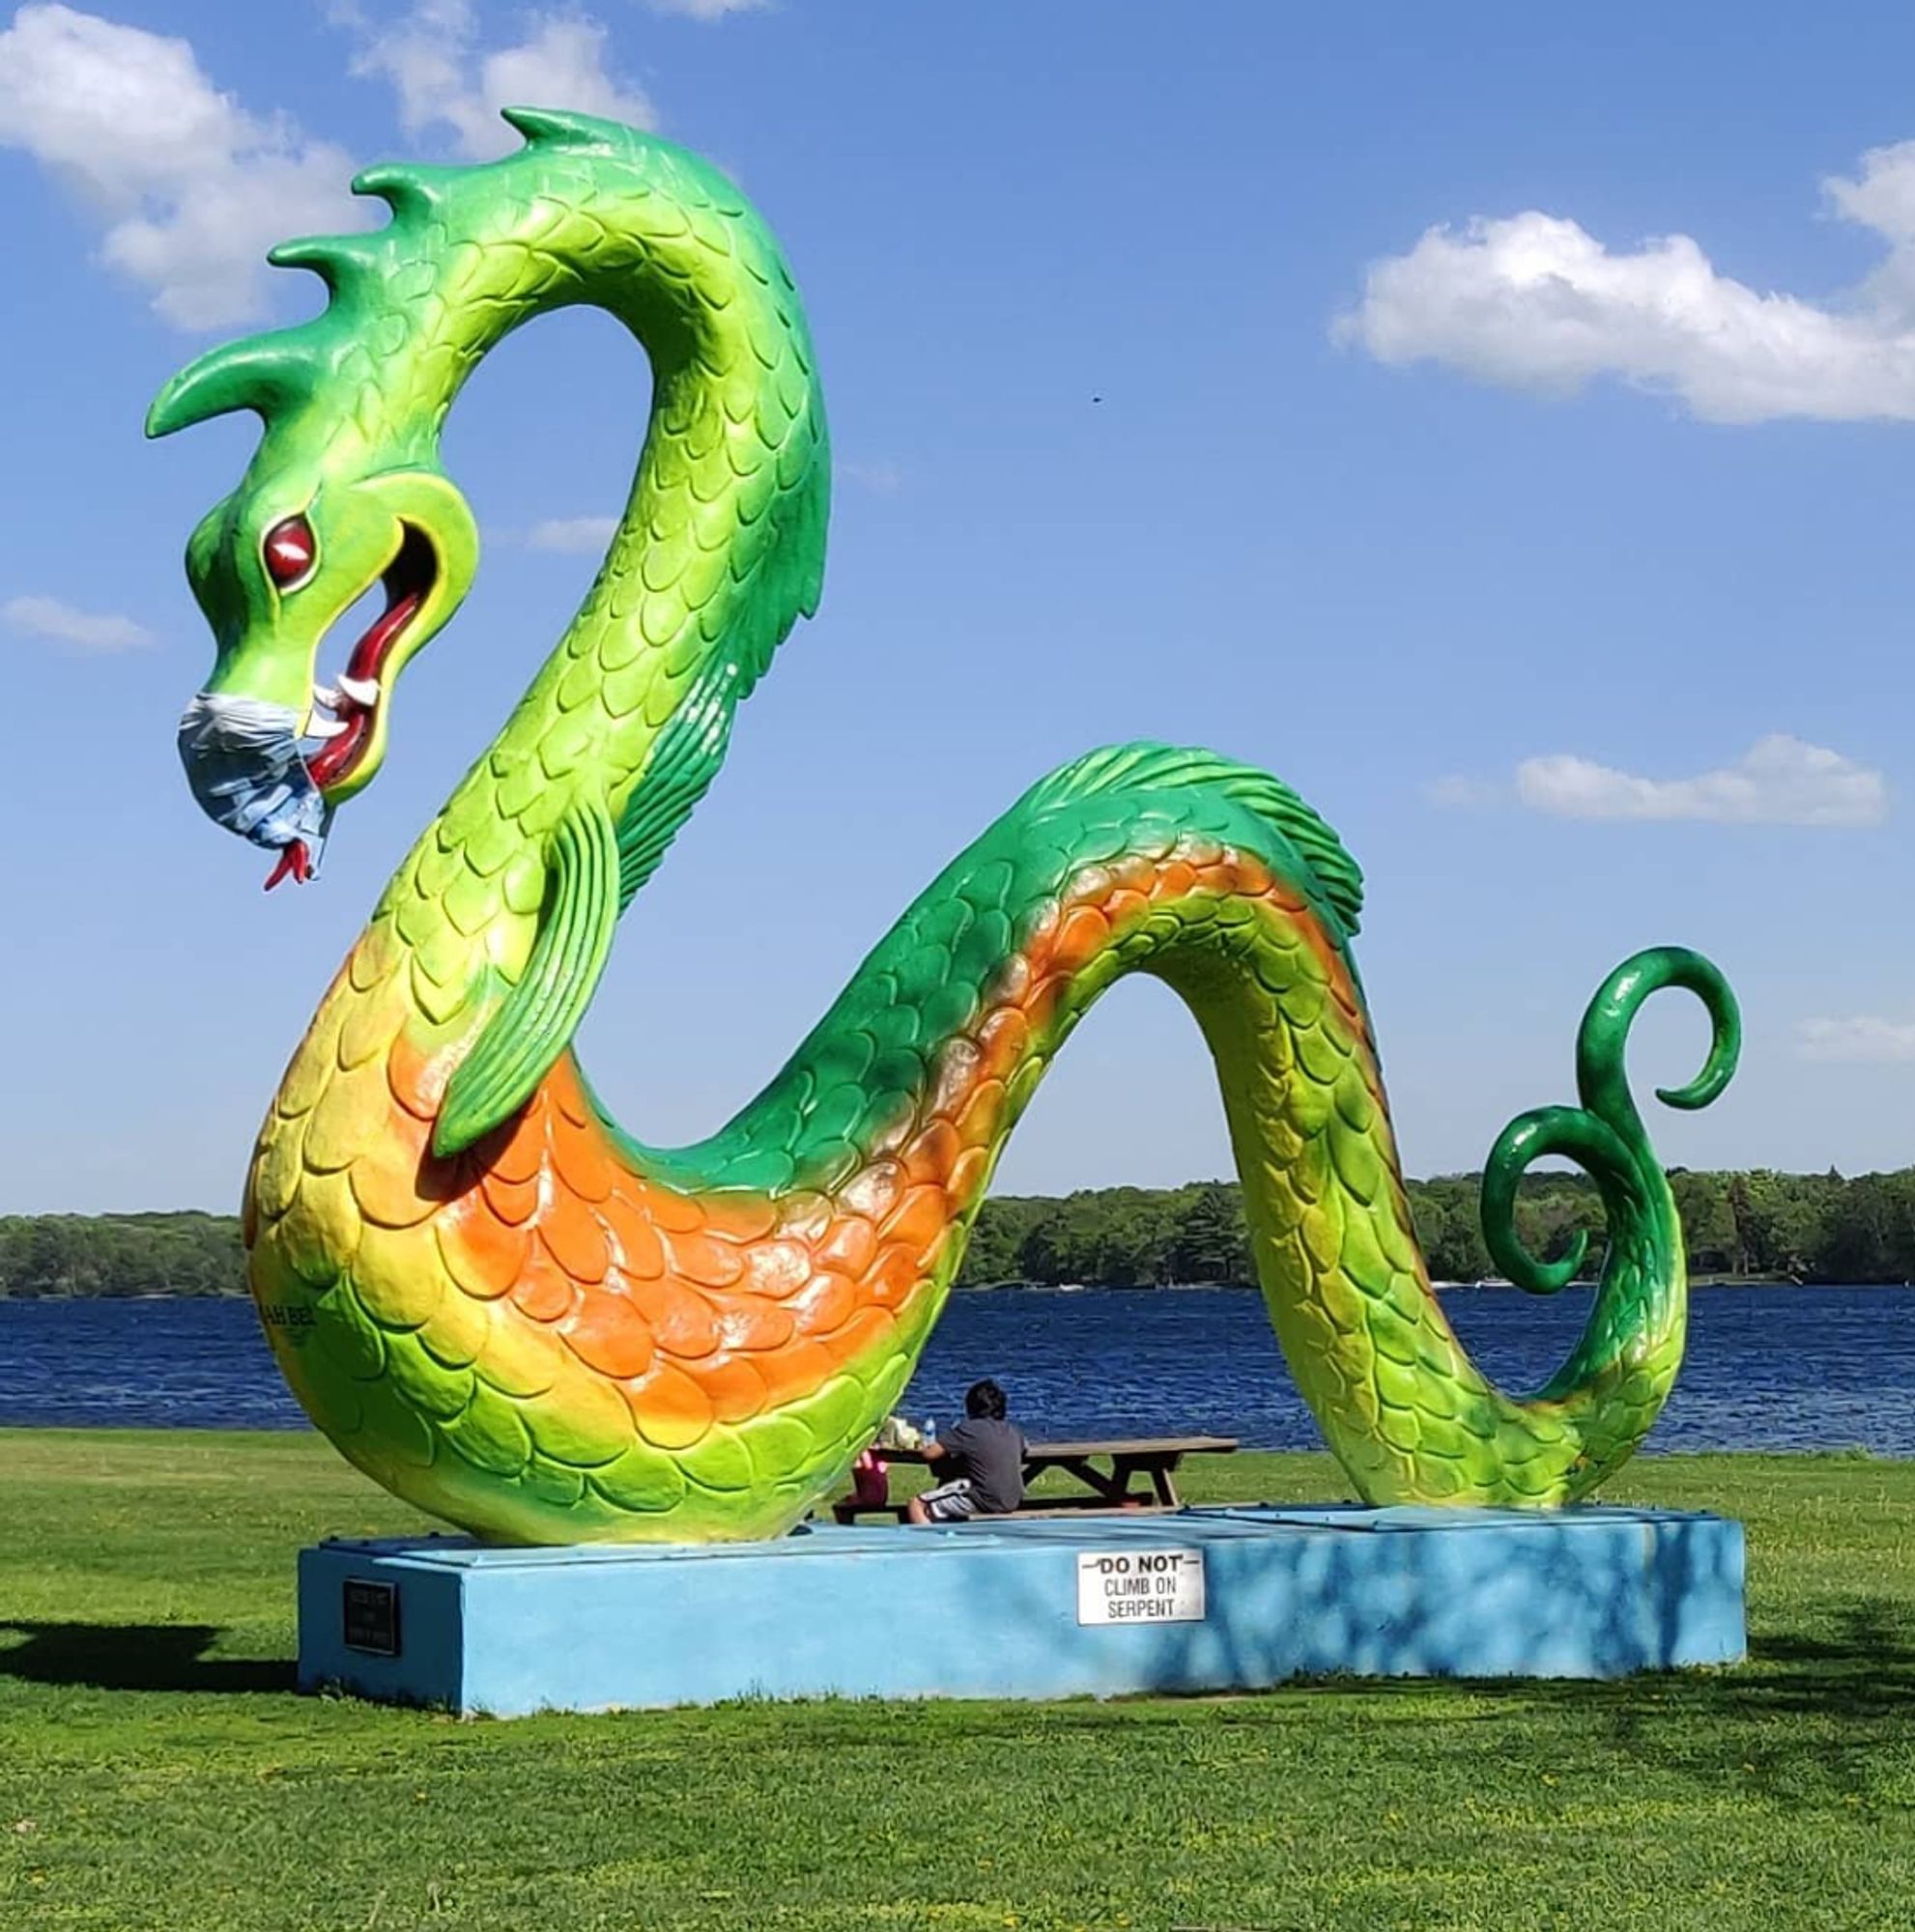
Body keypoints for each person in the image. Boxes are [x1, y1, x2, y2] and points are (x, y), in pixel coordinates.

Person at [906, 1378, 1026, 1523]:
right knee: (953, 1488)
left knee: (917, 1504)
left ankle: (930, 1543)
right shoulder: (1013, 1431)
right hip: (1013, 1498)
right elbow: (1023, 1449)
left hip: (983, 1498)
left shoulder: (968, 1429)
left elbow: (929, 1453)